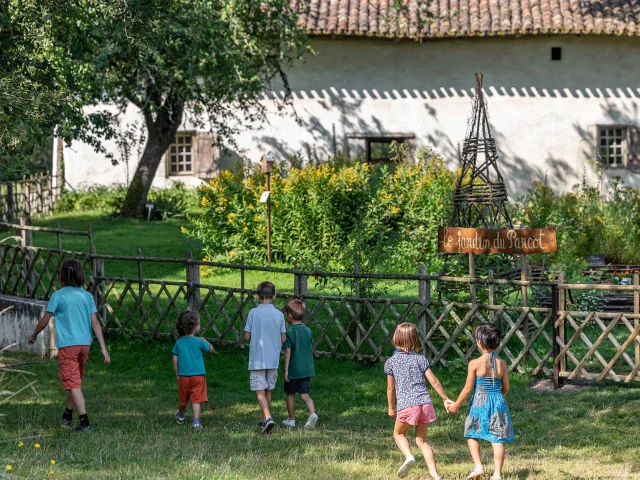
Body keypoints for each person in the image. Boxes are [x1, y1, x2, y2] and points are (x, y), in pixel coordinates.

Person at [28, 259, 110, 432]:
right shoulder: (87, 296)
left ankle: (85, 423)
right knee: (76, 382)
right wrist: (103, 348)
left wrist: (34, 335)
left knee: (73, 383)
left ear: (61, 277)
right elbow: (95, 322)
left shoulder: (58, 296)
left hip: (68, 346)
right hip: (84, 345)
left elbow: (45, 320)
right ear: (81, 276)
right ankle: (67, 414)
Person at [384, 323, 451, 480]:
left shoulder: (391, 362)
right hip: (425, 404)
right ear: (415, 339)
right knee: (422, 440)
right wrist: (446, 399)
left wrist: (391, 407)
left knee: (399, 433)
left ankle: (408, 456)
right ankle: (435, 475)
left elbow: (390, 389)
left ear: (396, 339)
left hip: (407, 405)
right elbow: (434, 381)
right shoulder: (421, 360)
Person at [447, 324, 514, 480]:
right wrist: (496, 396)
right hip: (498, 402)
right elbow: (507, 388)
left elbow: (468, 388)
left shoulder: (474, 363)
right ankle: (497, 474)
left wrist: (456, 405)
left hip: (479, 403)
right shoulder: (502, 363)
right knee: (497, 439)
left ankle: (478, 467)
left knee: (472, 433)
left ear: (479, 343)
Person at [243, 281, 286, 434]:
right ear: (274, 296)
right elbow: (283, 339)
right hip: (273, 358)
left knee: (259, 391)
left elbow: (247, 336)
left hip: (257, 359)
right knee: (268, 390)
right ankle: (263, 422)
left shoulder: (253, 313)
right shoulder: (279, 315)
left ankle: (267, 417)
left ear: (257, 296)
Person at [172, 310, 215, 430]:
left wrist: (177, 374)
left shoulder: (179, 342)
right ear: (195, 327)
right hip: (198, 376)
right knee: (196, 400)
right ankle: (196, 422)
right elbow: (211, 350)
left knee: (183, 399)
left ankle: (181, 416)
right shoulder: (199, 341)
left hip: (183, 376)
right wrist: (205, 340)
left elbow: (174, 360)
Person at [281, 298, 318, 429]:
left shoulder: (289, 333)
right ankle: (312, 413)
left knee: (290, 394)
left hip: (293, 370)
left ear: (289, 316)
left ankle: (291, 419)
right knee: (304, 395)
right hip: (307, 369)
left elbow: (287, 353)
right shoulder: (308, 331)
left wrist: (286, 371)